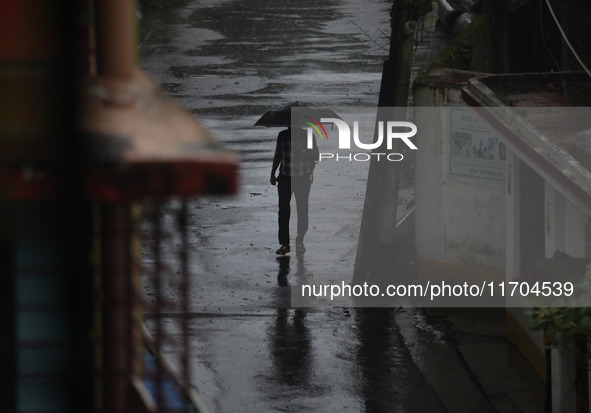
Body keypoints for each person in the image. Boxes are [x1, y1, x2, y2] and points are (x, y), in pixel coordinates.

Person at [270, 127, 319, 255]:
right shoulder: (282, 135)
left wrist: (302, 148)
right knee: (283, 210)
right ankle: (285, 244)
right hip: (285, 178)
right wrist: (272, 173)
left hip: (302, 178)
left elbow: (317, 156)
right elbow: (278, 154)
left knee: (302, 209)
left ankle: (300, 240)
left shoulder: (308, 135)